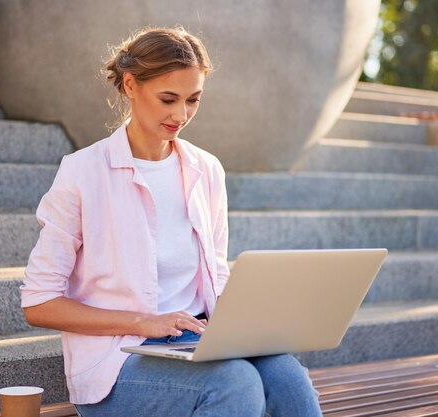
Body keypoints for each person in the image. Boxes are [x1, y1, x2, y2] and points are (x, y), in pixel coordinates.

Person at [20, 26, 322, 417]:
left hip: (197, 340)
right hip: (118, 364)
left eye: (193, 100)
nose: (181, 115)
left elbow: (214, 272)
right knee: (235, 383)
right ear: (130, 85)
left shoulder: (206, 169)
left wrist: (251, 320)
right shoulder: (83, 173)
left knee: (288, 378)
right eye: (168, 99)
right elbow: (39, 304)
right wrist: (144, 322)